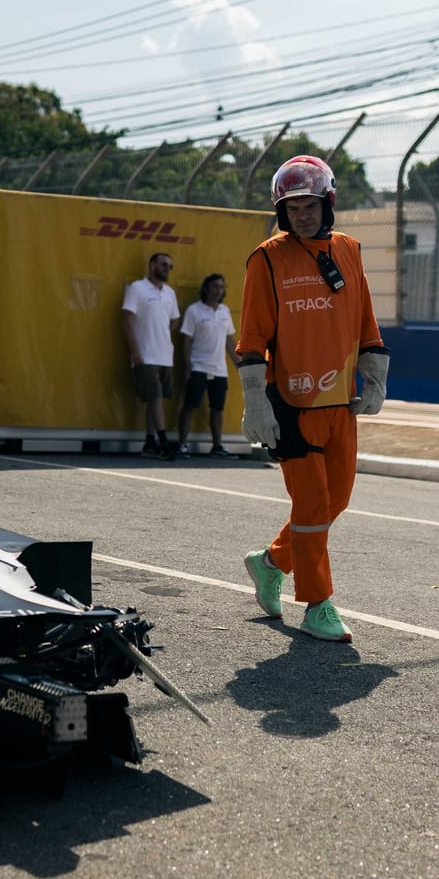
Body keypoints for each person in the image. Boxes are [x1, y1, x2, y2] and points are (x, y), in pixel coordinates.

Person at [236, 155, 389, 643]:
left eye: (309, 205)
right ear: (283, 212)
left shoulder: (349, 250)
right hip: (292, 407)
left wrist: (375, 375)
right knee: (312, 507)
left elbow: (364, 317)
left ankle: (270, 562)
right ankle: (318, 604)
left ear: (329, 203)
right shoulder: (266, 258)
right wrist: (255, 402)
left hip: (340, 404)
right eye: (293, 207)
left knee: (336, 501)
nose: (302, 215)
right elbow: (252, 336)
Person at [120, 250, 181, 458]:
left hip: (165, 355)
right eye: (163, 264)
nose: (167, 269)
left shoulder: (170, 292)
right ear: (152, 265)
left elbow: (175, 319)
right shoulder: (137, 288)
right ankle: (164, 442)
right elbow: (127, 319)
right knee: (154, 397)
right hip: (144, 355)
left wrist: (162, 331)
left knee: (156, 400)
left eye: (169, 266)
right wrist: (135, 351)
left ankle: (149, 442)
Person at [175, 272, 236, 458]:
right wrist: (187, 367)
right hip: (198, 367)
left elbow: (230, 341)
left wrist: (240, 365)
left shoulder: (225, 311)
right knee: (190, 405)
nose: (219, 290)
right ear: (206, 289)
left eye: (221, 287)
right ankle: (182, 444)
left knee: (217, 408)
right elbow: (185, 340)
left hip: (219, 370)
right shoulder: (194, 310)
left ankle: (217, 446)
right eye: (215, 286)